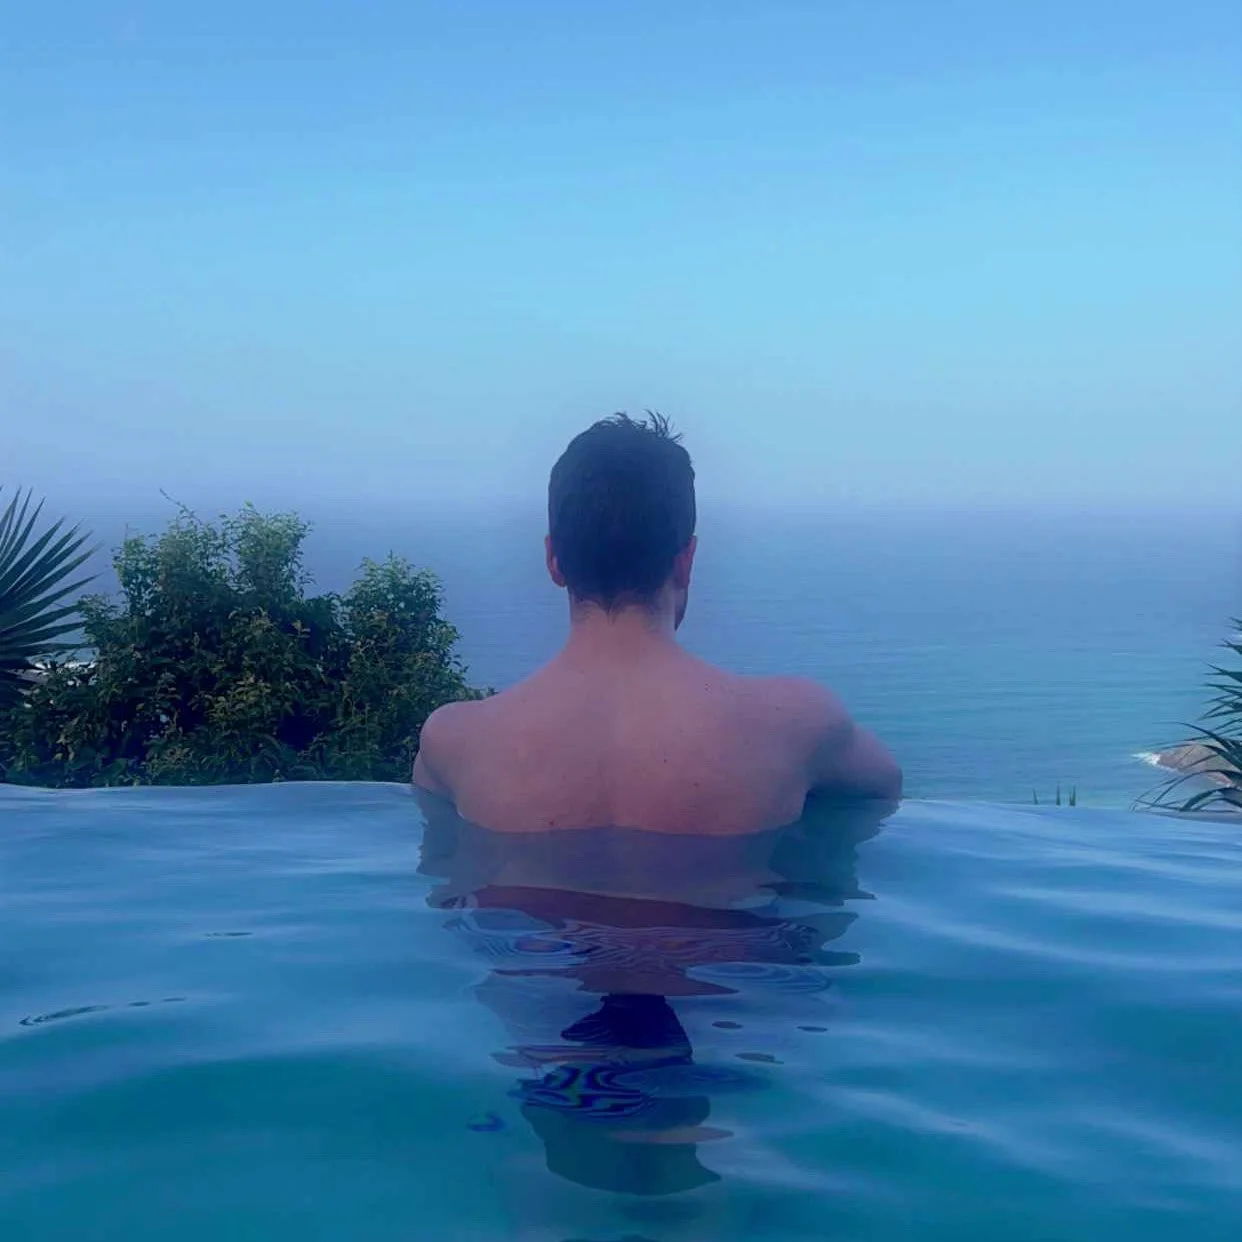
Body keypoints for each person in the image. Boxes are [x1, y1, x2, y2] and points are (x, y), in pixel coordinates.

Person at [413, 412, 901, 832]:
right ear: (685, 561)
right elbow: (885, 788)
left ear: (553, 560)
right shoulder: (798, 723)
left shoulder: (454, 742)